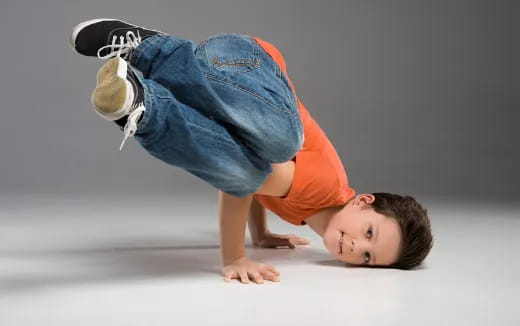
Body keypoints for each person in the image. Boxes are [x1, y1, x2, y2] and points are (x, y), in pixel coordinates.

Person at [69, 18, 433, 284]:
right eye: (368, 234)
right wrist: (235, 257)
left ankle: (139, 103)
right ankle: (151, 50)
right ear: (362, 202)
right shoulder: (324, 187)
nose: (355, 247)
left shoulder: (310, 210)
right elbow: (239, 182)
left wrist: (260, 234)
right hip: (247, 61)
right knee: (274, 149)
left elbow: (250, 173)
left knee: (253, 160)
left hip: (224, 85)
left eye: (368, 258)